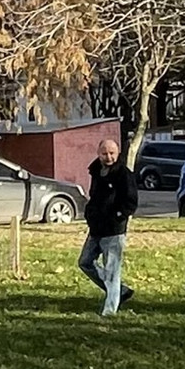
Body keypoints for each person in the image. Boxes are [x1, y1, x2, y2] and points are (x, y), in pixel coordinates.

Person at [79, 134, 137, 316]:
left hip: (113, 230)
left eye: (112, 153)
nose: (108, 157)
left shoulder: (124, 174)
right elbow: (94, 196)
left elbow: (131, 202)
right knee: (85, 262)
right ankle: (121, 290)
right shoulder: (96, 171)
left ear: (118, 153)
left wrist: (118, 216)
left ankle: (110, 310)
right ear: (98, 153)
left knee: (112, 270)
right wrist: (90, 214)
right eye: (104, 153)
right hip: (96, 228)